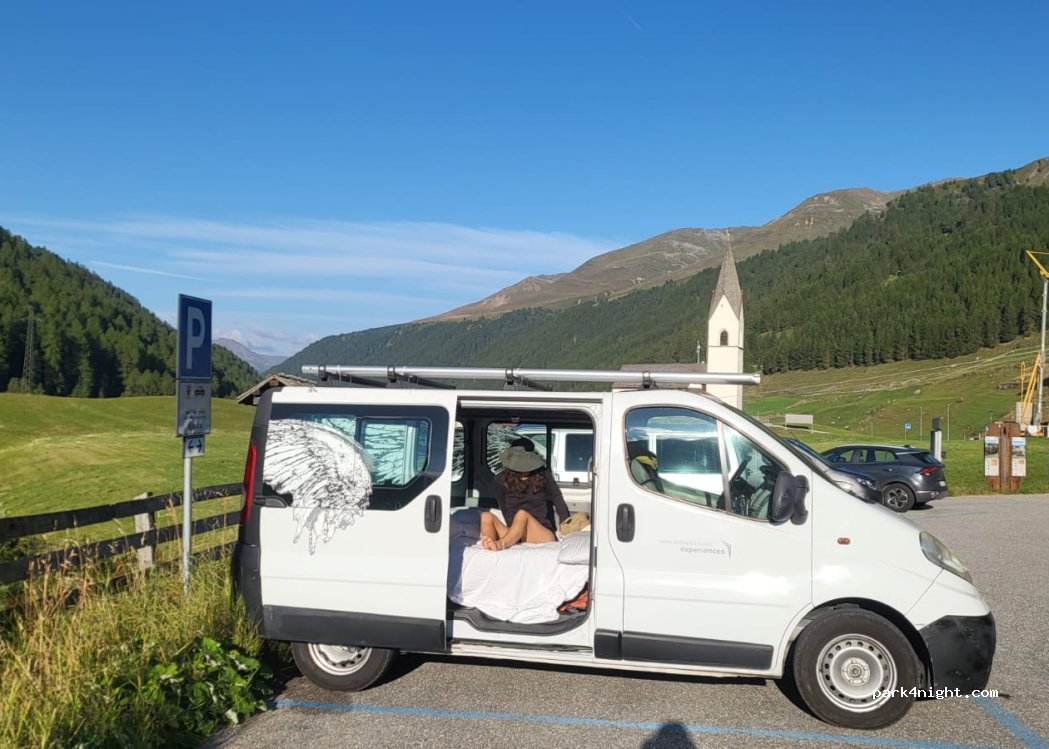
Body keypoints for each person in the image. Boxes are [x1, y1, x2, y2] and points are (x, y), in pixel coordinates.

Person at [480, 439, 571, 551]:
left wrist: (564, 521)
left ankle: (501, 544)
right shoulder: (500, 480)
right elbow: (503, 506)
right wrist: (514, 531)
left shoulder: (543, 474)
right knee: (486, 516)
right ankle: (489, 545)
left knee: (522, 514)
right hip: (515, 533)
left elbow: (556, 496)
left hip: (541, 533)